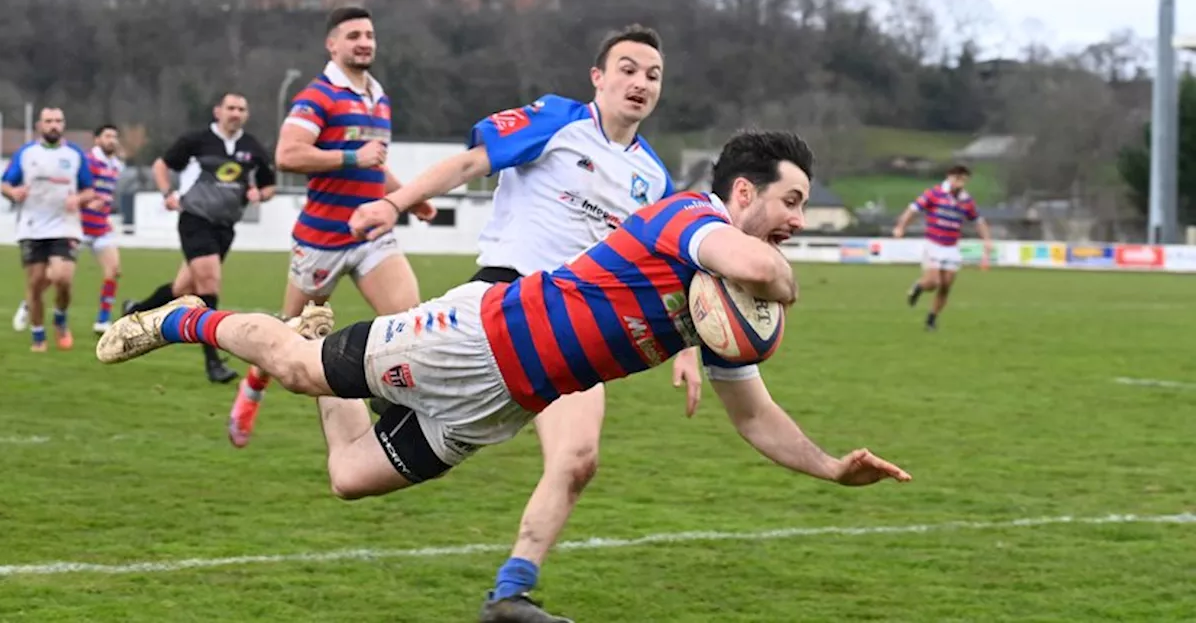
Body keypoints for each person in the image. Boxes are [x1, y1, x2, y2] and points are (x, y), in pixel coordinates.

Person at [97, 130, 912, 623]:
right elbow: (748, 258)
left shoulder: (723, 300)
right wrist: (786, 279)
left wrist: (833, 467)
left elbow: (756, 415)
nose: (799, 222)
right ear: (742, 191)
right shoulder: (689, 218)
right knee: (302, 370)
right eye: (791, 201)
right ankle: (177, 319)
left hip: (508, 402)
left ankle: (314, 331)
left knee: (350, 475)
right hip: (479, 339)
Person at [345, 23, 702, 612]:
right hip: (501, 305)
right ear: (599, 77)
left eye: (653, 75)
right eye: (629, 69)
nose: (640, 83)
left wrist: (686, 350)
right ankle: (359, 378)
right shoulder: (558, 121)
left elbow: (666, 274)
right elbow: (469, 164)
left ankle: (511, 593)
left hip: (578, 331)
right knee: (357, 454)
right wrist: (393, 202)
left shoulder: (655, 180)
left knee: (579, 459)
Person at [228, 6, 436, 445]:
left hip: (373, 235)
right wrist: (348, 157)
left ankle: (394, 403)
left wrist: (408, 198)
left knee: (409, 323)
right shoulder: (317, 97)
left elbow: (372, 165)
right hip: (323, 239)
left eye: (370, 34)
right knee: (289, 331)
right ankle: (253, 385)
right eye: (354, 35)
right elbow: (287, 155)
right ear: (333, 44)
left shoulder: (378, 96)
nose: (365, 42)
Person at [120, 93, 276, 382]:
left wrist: (259, 194)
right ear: (218, 111)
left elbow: (269, 187)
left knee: (183, 289)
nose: (236, 113)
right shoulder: (197, 141)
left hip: (225, 226)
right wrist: (168, 193)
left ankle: (134, 312)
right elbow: (160, 165)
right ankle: (213, 363)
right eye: (230, 108)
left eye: (241, 109)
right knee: (209, 283)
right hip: (195, 219)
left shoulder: (252, 147)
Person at [12, 123, 124, 334]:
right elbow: (75, 190)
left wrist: (105, 213)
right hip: (77, 226)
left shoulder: (116, 165)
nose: (112, 140)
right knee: (53, 277)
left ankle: (102, 320)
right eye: (107, 136)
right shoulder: (87, 161)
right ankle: (29, 303)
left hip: (100, 227)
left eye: (115, 136)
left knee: (114, 270)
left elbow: (105, 196)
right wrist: (85, 203)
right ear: (97, 139)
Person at [0, 107, 96, 352]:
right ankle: (38, 336)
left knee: (63, 278)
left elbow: (89, 189)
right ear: (39, 125)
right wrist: (14, 192)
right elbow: (5, 184)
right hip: (32, 226)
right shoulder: (26, 153)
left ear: (63, 125)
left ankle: (61, 318)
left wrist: (79, 199)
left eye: (58, 121)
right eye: (49, 121)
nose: (54, 125)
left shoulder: (74, 154)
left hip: (65, 225)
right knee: (35, 283)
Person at [892, 164, 993, 330]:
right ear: (949, 177)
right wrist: (901, 226)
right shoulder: (935, 193)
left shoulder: (966, 201)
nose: (959, 181)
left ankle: (932, 319)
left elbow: (978, 221)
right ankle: (919, 286)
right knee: (932, 282)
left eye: (963, 178)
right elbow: (913, 209)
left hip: (951, 247)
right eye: (956, 177)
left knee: (946, 285)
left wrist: (987, 239)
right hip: (933, 243)